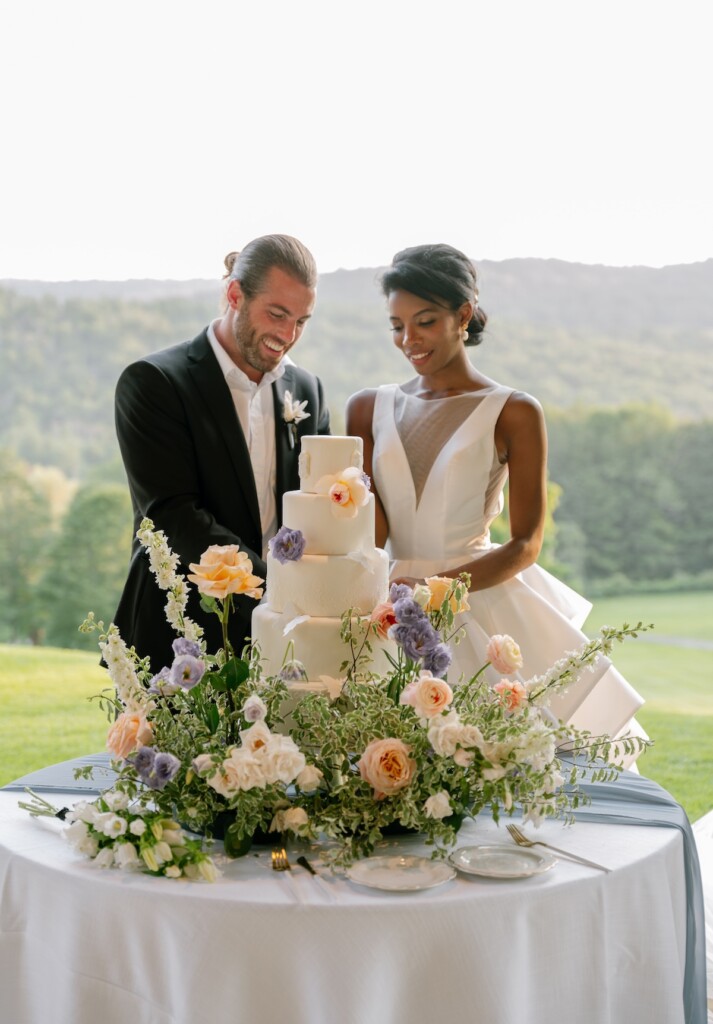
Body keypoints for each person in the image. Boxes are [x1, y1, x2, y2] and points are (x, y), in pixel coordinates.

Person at [347, 242, 645, 752]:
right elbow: (371, 535)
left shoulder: (514, 411)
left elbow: (527, 544)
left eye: (425, 322)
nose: (408, 340)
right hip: (394, 610)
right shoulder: (367, 408)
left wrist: (439, 588)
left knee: (512, 767)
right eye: (397, 326)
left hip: (481, 602)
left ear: (463, 315)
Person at [114, 234, 330, 672]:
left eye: (301, 321)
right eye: (277, 314)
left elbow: (321, 504)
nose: (288, 336)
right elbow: (174, 515)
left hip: (286, 641)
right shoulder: (154, 382)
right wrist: (281, 588)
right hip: (178, 636)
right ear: (234, 294)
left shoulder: (306, 390)